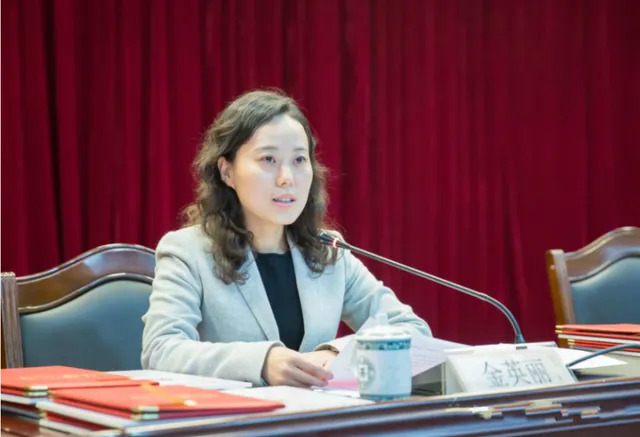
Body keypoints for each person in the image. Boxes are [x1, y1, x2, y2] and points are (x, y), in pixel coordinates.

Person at [141, 89, 432, 388]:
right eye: (268, 159)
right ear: (227, 172)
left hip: (318, 415)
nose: (286, 178)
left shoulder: (328, 252)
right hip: (236, 415)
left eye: (299, 160)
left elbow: (413, 331)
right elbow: (160, 349)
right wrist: (262, 362)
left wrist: (337, 352)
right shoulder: (187, 251)